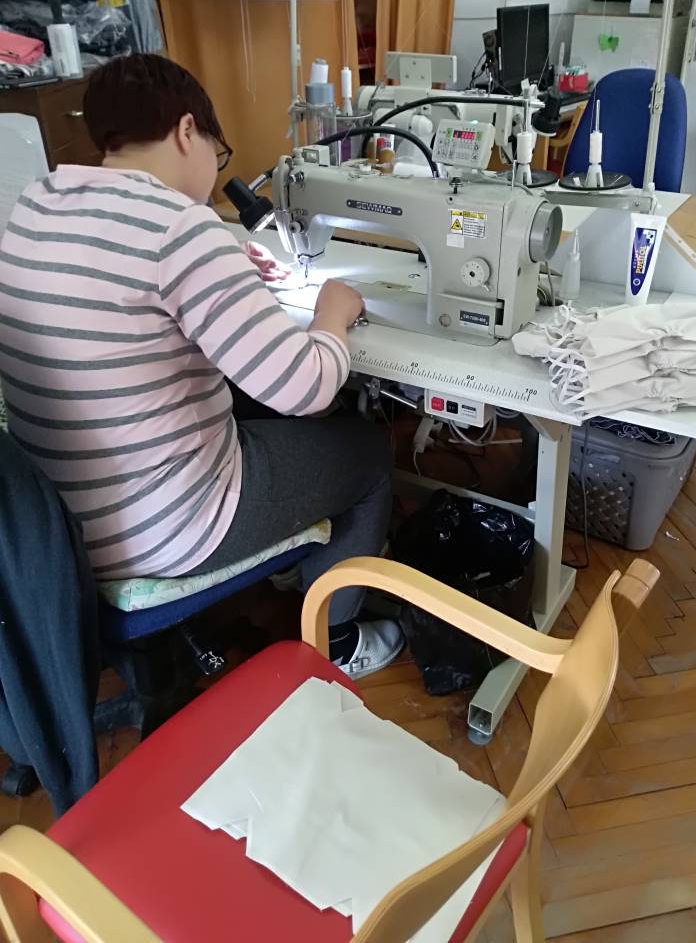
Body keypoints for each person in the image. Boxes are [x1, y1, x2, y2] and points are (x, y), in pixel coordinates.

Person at [0, 53, 402, 679]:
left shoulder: (36, 204)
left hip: (50, 524)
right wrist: (333, 313)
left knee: (247, 403)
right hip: (162, 530)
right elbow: (306, 387)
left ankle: (294, 560)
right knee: (368, 450)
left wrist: (225, 269)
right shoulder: (181, 228)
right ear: (188, 130)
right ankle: (339, 641)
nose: (215, 170)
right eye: (219, 154)